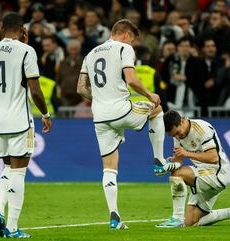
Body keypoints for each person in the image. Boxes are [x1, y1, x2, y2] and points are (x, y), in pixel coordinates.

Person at [77, 19, 179, 229]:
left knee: (109, 168)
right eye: (131, 38)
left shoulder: (91, 53)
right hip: (121, 109)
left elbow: (81, 88)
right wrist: (150, 94)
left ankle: (114, 217)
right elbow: (131, 80)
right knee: (157, 108)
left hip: (100, 116)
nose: (132, 43)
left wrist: (99, 97)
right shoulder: (124, 48)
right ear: (124, 34)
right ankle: (159, 161)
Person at [0, 12, 52, 238]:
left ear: (2, 27)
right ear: (23, 29)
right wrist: (45, 113)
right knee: (19, 172)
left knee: (6, 168)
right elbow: (34, 90)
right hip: (20, 120)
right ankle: (12, 227)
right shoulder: (27, 51)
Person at [155, 110, 230, 228]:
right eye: (173, 135)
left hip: (216, 174)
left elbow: (213, 157)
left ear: (182, 121)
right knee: (191, 223)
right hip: (201, 175)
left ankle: (177, 217)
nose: (177, 137)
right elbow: (179, 160)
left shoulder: (202, 128)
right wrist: (169, 164)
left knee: (177, 174)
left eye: (177, 133)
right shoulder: (178, 135)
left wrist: (187, 154)